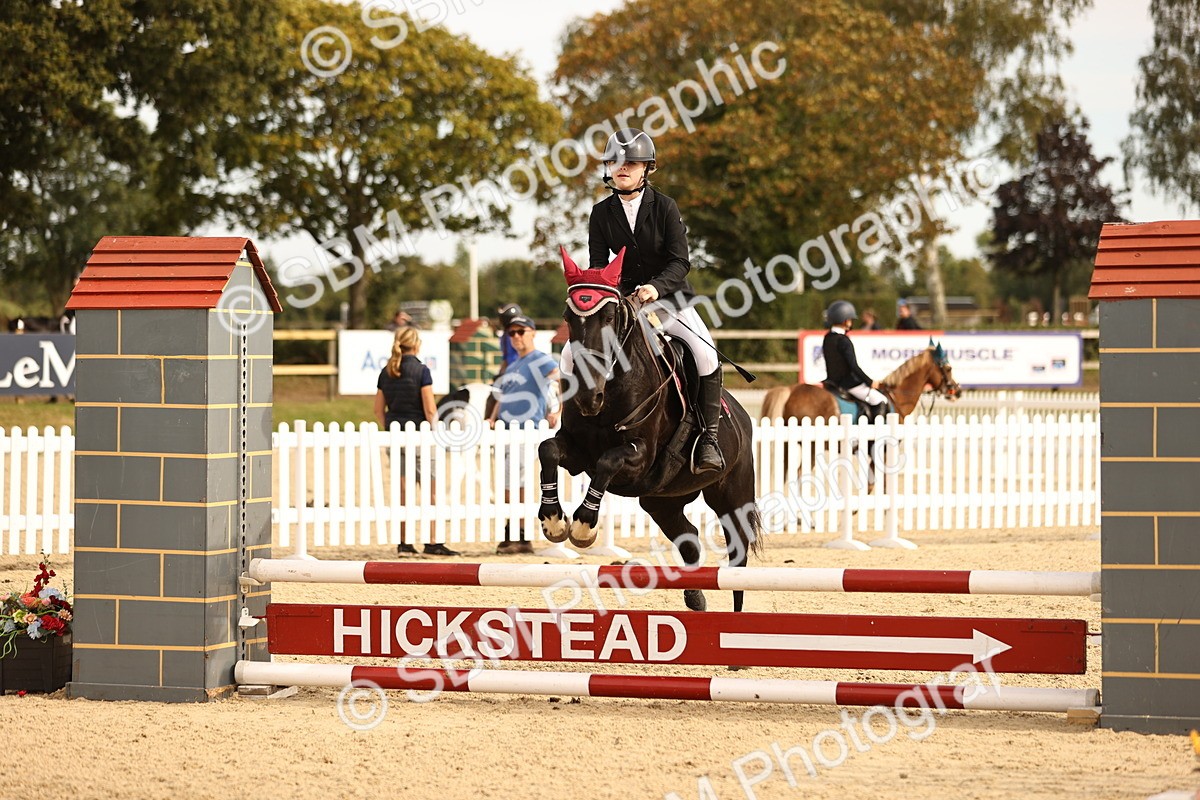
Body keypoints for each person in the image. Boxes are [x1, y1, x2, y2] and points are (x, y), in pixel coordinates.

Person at [560, 127, 725, 473]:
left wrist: (654, 287)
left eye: (631, 162)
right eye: (615, 161)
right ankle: (572, 428)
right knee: (567, 354)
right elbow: (599, 265)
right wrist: (606, 298)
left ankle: (708, 439)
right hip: (620, 304)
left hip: (668, 300)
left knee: (705, 354)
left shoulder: (665, 207)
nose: (622, 167)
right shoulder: (601, 213)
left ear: (646, 168)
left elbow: (680, 261)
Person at [374, 326, 459, 557]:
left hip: (396, 435)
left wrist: (390, 429)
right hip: (421, 436)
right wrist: (436, 432)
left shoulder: (386, 371)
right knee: (430, 489)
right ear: (417, 344)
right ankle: (432, 541)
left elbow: (378, 410)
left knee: (403, 490)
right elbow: (430, 409)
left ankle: (404, 542)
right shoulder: (422, 371)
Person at [487, 314, 560, 554]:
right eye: (512, 333)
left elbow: (562, 382)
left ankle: (520, 534)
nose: (516, 337)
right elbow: (503, 395)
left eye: (521, 332)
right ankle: (514, 530)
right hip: (507, 430)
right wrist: (493, 416)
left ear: (532, 333)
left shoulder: (540, 360)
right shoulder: (514, 363)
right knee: (509, 482)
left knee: (515, 482)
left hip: (525, 429)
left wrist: (558, 410)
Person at [822, 300, 888, 421]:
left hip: (831, 383)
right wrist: (870, 382)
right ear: (845, 320)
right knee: (880, 400)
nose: (851, 322)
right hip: (848, 384)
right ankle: (877, 435)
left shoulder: (827, 338)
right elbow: (853, 366)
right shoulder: (844, 340)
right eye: (850, 319)